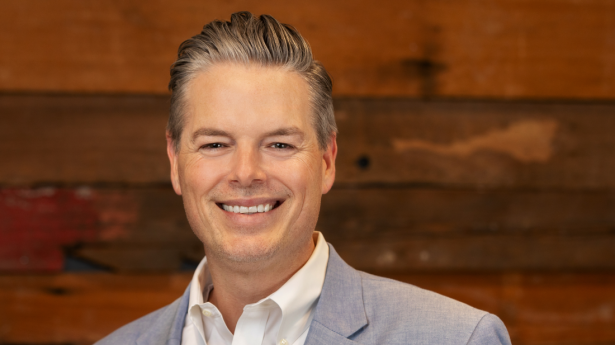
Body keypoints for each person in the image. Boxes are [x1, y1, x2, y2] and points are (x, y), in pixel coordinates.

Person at [96, 12, 512, 345]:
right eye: (215, 145)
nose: (245, 174)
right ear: (175, 161)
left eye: (279, 144)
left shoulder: (459, 338)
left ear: (327, 160)